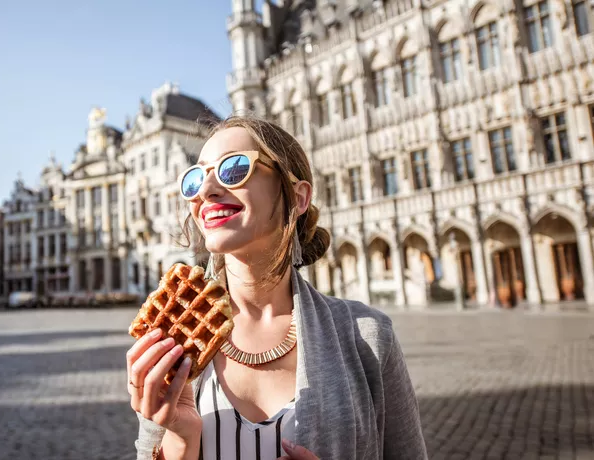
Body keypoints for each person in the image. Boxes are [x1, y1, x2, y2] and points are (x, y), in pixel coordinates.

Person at [126, 116, 428, 460]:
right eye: (195, 179)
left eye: (233, 168)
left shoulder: (369, 338)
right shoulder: (169, 342)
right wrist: (180, 439)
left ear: (297, 197)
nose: (206, 191)